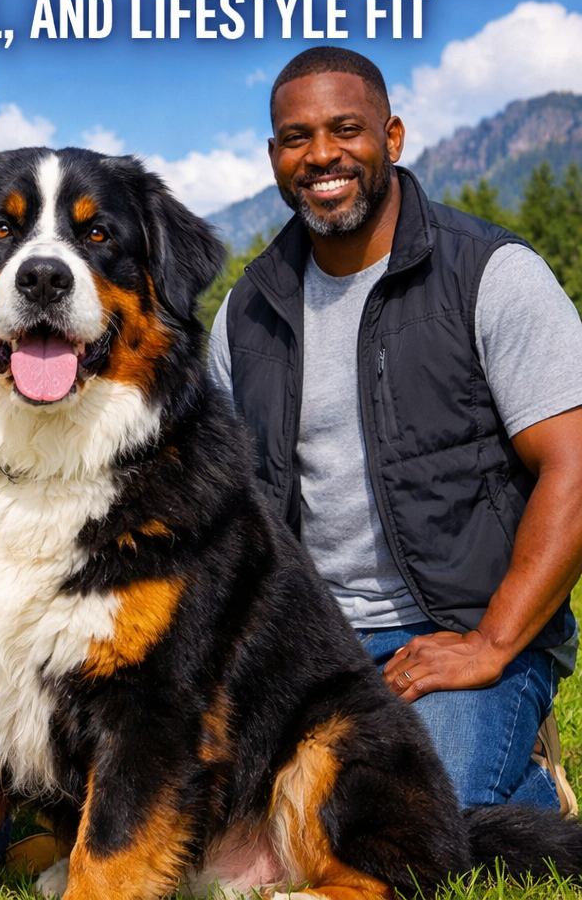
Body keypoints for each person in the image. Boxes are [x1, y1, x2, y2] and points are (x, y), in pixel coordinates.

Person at [208, 47, 582, 811]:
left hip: (457, 631)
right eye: (296, 137)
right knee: (208, 811)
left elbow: (572, 468)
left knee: (395, 818)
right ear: (274, 154)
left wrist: (493, 643)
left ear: (394, 137)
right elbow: (220, 510)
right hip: (303, 644)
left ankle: (525, 774)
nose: (322, 155)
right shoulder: (245, 312)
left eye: (347, 129)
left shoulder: (491, 274)